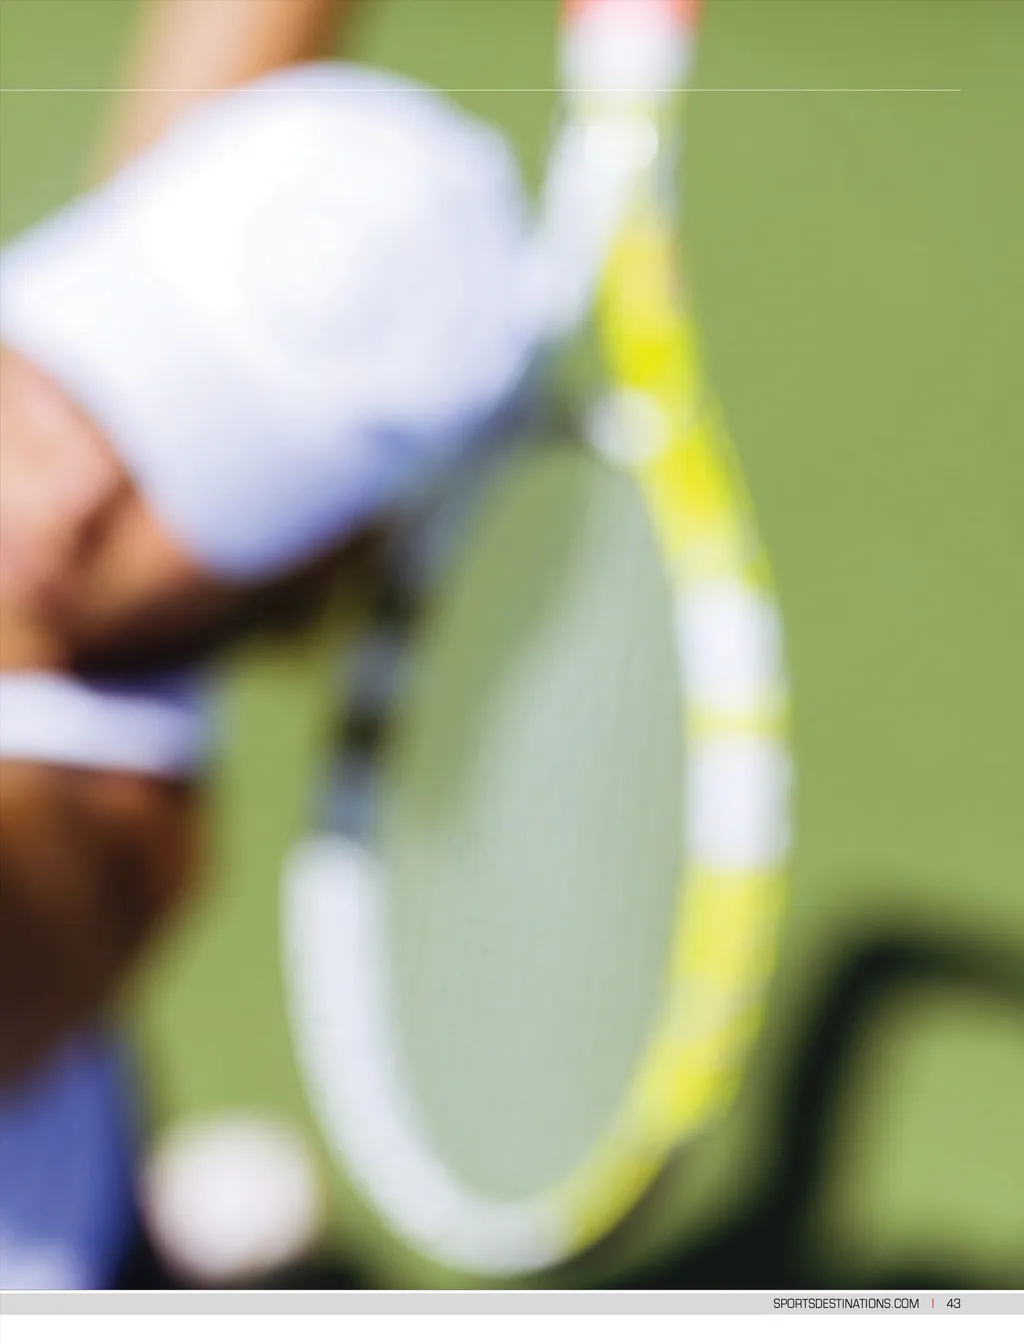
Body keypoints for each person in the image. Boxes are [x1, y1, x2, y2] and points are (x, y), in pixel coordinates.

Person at [0, 0, 538, 1286]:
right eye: (99, 373)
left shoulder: (101, 845)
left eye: (190, 470)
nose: (76, 495)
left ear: (298, 571)